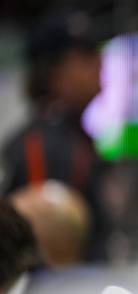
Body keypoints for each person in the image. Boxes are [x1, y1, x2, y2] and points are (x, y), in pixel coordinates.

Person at [1, 9, 110, 261]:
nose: (99, 64)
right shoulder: (40, 144)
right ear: (54, 71)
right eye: (85, 56)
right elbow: (46, 238)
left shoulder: (75, 138)